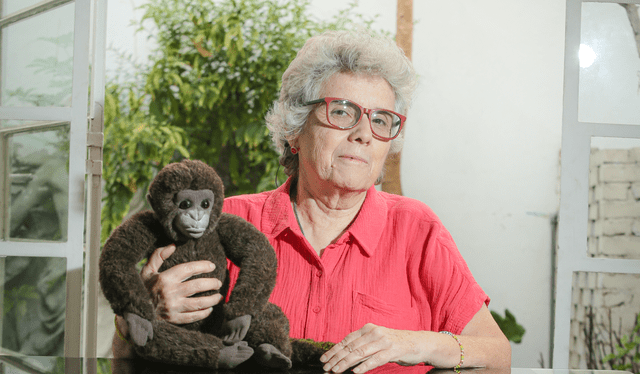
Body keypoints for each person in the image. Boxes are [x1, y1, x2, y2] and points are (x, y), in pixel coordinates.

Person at [112, 29, 511, 373]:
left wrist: (415, 344)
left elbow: (497, 356)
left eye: (382, 119)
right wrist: (143, 314)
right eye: (342, 111)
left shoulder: (417, 230)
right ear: (294, 130)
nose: (363, 133)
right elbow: (129, 358)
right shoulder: (223, 222)